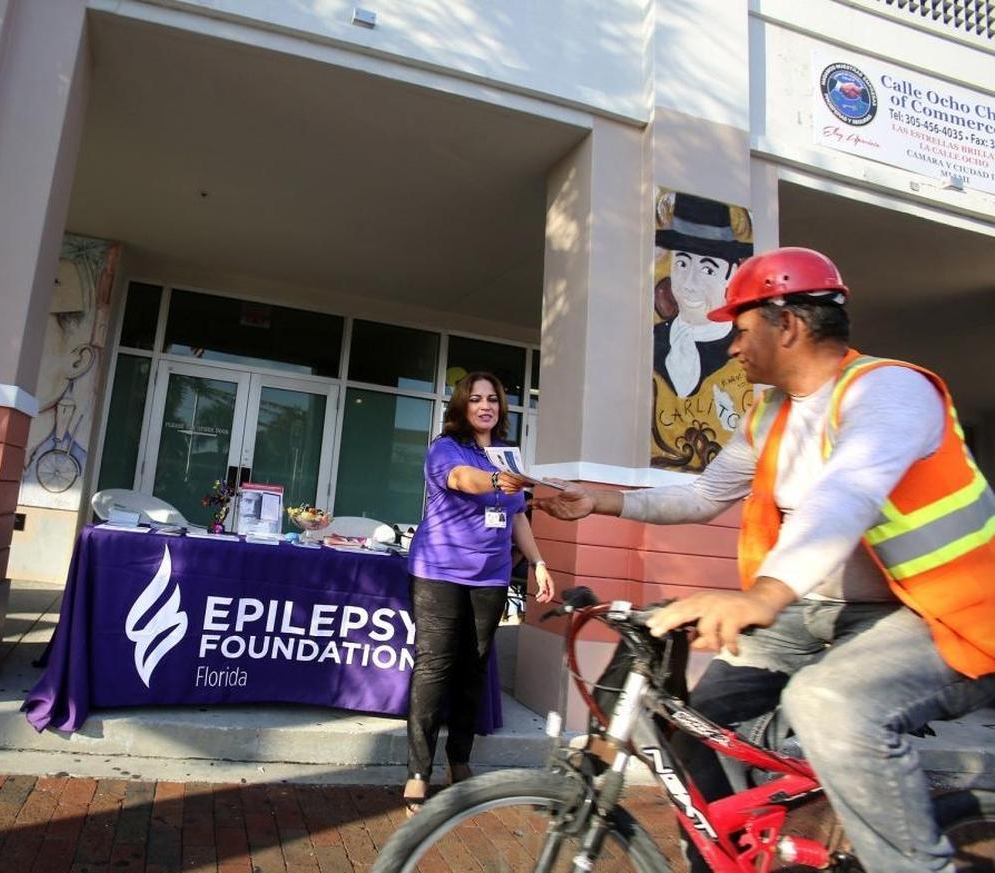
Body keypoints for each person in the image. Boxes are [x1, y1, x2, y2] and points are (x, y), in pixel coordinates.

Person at [535, 247, 995, 872]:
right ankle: (733, 855)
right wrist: (600, 500)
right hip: (812, 613)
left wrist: (761, 597)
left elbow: (847, 493)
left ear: (789, 325)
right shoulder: (771, 414)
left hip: (946, 616)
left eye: (741, 331)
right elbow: (701, 495)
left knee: (828, 703)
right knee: (695, 723)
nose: (730, 348)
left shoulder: (891, 391)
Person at [403, 371, 555, 816]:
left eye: (493, 399)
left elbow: (517, 516)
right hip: (440, 572)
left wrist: (539, 562)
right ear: (461, 407)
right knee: (434, 669)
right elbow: (464, 481)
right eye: (476, 399)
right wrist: (498, 480)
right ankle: (417, 772)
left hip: (490, 577)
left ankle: (459, 760)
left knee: (475, 668)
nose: (485, 406)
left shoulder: (508, 456)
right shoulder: (444, 449)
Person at [653, 192, 751, 399]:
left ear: (731, 274)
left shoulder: (743, 353)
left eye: (707, 270)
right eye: (682, 263)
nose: (689, 284)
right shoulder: (651, 339)